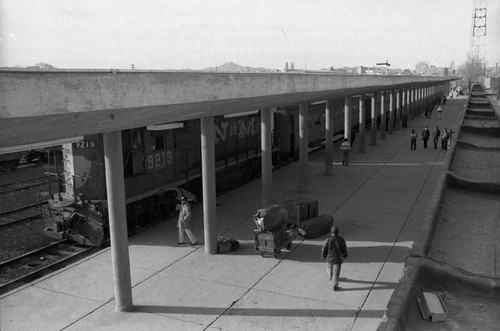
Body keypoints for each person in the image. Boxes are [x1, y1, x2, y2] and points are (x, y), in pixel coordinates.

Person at [321, 226, 348, 291]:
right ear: (338, 232)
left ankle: (330, 276)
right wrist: (345, 255)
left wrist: (323, 256)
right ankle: (335, 285)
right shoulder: (341, 239)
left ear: (331, 232)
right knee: (336, 272)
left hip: (330, 258)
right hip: (338, 258)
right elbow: (344, 248)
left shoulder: (328, 239)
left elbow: (324, 248)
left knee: (329, 268)